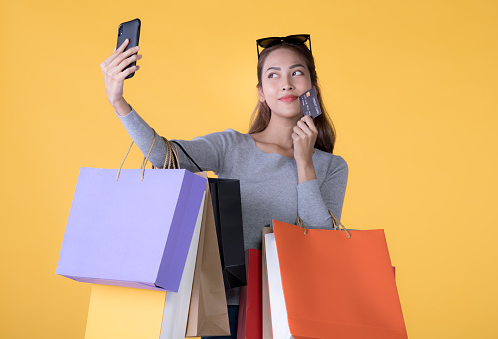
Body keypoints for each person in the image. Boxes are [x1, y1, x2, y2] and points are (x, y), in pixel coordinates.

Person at [100, 34, 348, 339]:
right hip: (227, 307)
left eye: (296, 73)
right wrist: (119, 102)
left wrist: (304, 163)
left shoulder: (331, 166)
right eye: (274, 75)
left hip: (293, 308)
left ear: (311, 88)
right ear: (261, 92)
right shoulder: (231, 145)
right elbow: (165, 157)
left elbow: (323, 239)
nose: (286, 83)